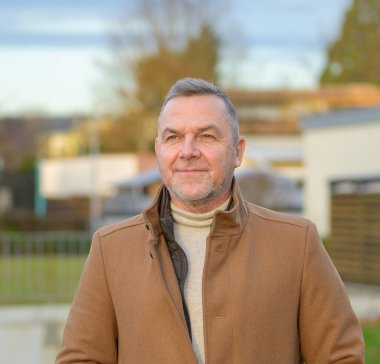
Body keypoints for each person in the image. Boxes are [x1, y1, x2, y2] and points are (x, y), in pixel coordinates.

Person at [56, 78, 364, 363]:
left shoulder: (297, 243)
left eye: (206, 136)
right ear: (159, 150)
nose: (188, 151)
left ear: (237, 151)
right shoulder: (111, 250)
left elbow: (340, 358)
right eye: (174, 137)